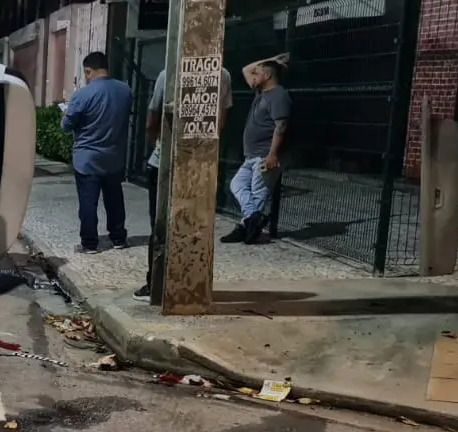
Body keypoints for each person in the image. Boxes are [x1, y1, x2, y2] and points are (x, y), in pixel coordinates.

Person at [135, 62, 234, 300]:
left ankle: (156, 283)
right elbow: (220, 119)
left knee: (160, 224)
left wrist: (158, 145)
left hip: (165, 163)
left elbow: (153, 117)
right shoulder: (222, 74)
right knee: (195, 223)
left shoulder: (167, 72)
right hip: (200, 163)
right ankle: (190, 282)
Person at [60, 52, 133, 254]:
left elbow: (66, 126)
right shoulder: (125, 90)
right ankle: (118, 238)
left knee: (88, 203)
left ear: (88, 71)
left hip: (87, 159)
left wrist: (65, 114)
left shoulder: (83, 94)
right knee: (115, 199)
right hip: (114, 157)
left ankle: (90, 243)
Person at [224, 53, 291, 245]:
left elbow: (281, 126)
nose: (253, 76)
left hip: (264, 156)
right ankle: (253, 220)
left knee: (258, 193)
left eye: (258, 73)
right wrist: (273, 59)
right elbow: (246, 68)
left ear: (267, 76)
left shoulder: (279, 95)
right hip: (251, 155)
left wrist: (272, 155)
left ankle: (246, 227)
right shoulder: (261, 93)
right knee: (237, 184)